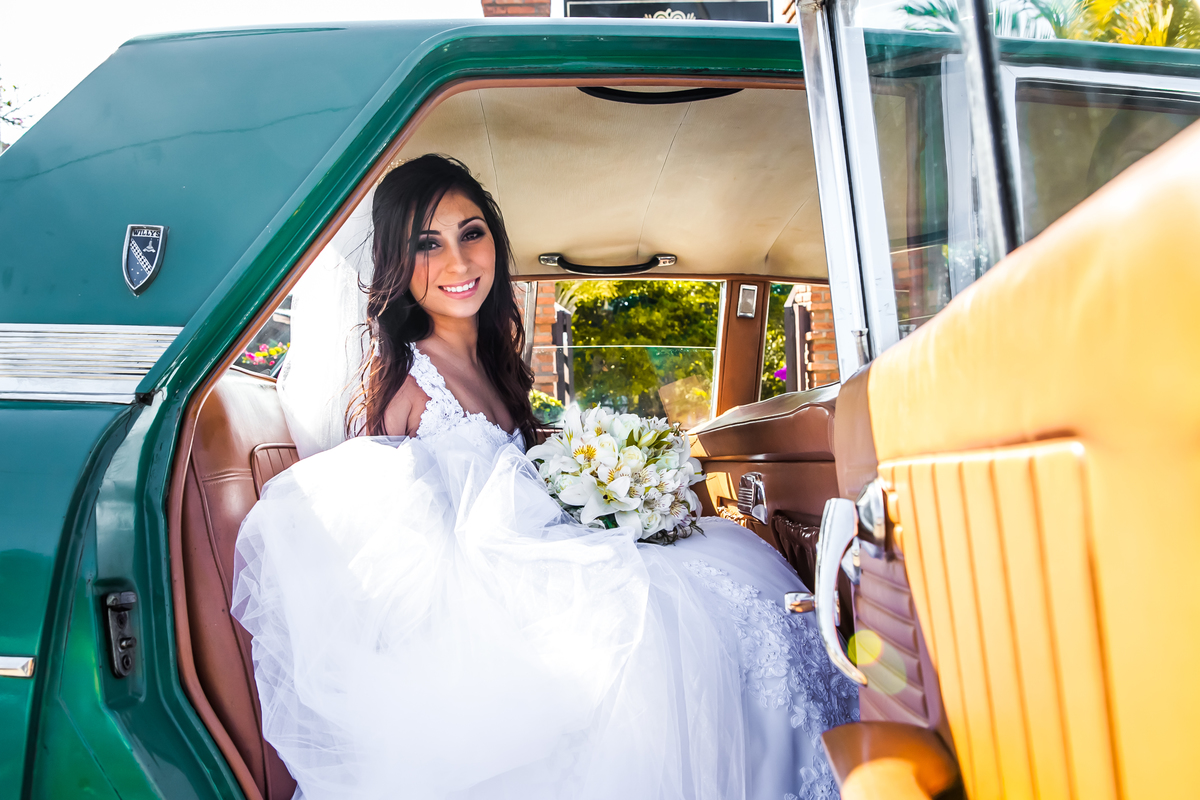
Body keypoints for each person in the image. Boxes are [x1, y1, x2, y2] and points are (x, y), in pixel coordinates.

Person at [231, 154, 857, 800]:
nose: (458, 261)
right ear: (396, 262)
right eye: (428, 244)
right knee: (676, 620)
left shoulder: (486, 361)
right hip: (493, 595)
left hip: (532, 558)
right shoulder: (412, 389)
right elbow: (422, 549)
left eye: (471, 233)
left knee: (719, 565)